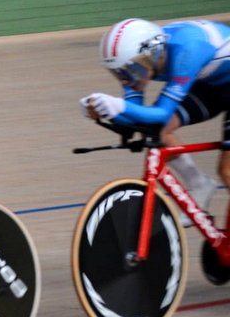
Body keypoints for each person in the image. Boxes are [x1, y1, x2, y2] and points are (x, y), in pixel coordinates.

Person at [80, 17, 230, 222]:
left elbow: (161, 113)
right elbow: (139, 118)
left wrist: (118, 106)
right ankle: (198, 182)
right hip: (212, 82)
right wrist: (102, 109)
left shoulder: (188, 50)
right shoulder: (139, 58)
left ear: (152, 54)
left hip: (210, 77)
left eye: (130, 71)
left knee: (227, 171)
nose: (125, 80)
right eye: (117, 73)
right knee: (157, 130)